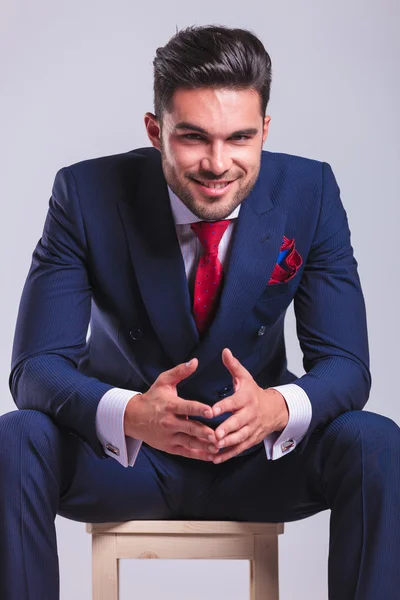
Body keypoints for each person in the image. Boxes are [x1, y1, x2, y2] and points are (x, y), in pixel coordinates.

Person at [1, 24, 399, 600]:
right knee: (16, 438)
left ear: (264, 130)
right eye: (193, 138)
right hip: (127, 462)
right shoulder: (84, 194)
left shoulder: (309, 191)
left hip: (258, 458)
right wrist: (132, 414)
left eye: (239, 138)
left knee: (376, 441)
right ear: (155, 129)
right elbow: (35, 368)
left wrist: (275, 408)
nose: (219, 164)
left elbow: (346, 365)